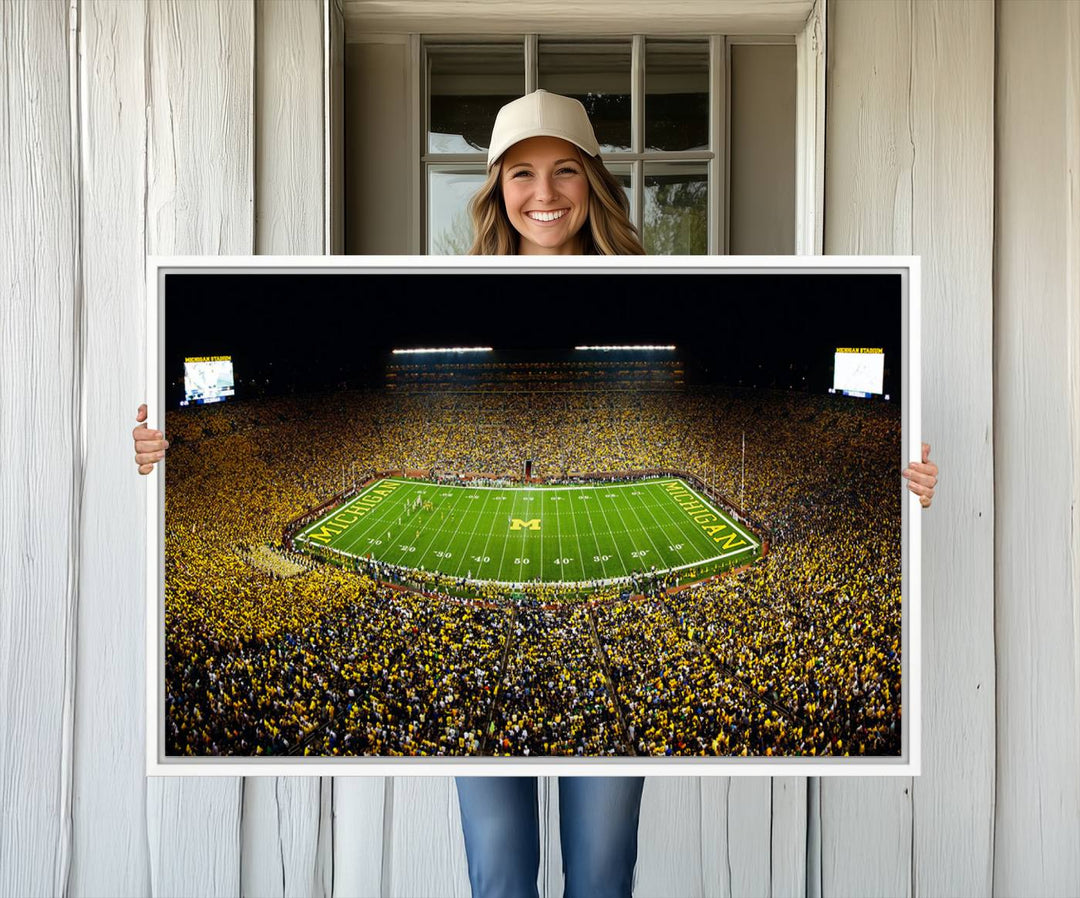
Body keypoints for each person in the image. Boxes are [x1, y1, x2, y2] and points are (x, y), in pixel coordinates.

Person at [132, 88, 939, 898]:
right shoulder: (453, 284)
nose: (544, 194)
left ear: (593, 180)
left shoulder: (655, 283)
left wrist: (900, 480)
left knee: (599, 875)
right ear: (495, 189)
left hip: (603, 713)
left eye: (563, 172)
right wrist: (163, 454)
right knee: (501, 876)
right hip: (497, 729)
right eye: (521, 174)